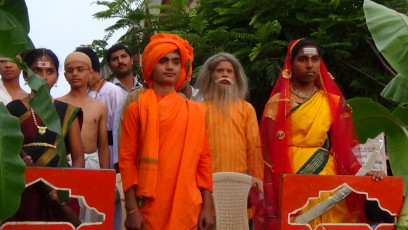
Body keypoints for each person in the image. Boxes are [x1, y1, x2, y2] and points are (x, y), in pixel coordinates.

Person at [259, 39, 385, 229]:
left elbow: (344, 149)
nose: (310, 65)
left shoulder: (333, 102)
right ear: (290, 64)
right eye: (302, 59)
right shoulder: (277, 103)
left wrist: (363, 171)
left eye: (315, 59)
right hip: (288, 175)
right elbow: (266, 154)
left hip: (327, 178)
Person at [119, 33, 214, 230]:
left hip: (188, 205)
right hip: (148, 206)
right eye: (163, 61)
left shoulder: (194, 110)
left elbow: (203, 161)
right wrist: (131, 209)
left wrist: (207, 207)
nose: (170, 67)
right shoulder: (136, 109)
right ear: (151, 66)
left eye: (176, 61)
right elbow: (127, 161)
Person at [5, 48, 84, 227]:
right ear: (25, 76)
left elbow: (79, 158)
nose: (43, 76)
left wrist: (64, 189)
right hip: (23, 188)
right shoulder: (12, 110)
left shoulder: (67, 111)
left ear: (57, 77)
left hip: (59, 190)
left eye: (50, 71)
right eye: (36, 70)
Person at [194, 52, 264, 180]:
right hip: (209, 178)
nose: (225, 75)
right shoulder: (201, 108)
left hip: (242, 177)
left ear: (235, 77)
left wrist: (257, 178)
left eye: (229, 71)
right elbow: (195, 149)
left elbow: (254, 148)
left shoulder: (246, 109)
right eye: (219, 70)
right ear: (211, 76)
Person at [56, 51, 109, 169]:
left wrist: (106, 176)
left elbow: (103, 146)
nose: (75, 73)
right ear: (65, 76)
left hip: (93, 162)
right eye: (70, 70)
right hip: (66, 162)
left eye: (80, 69)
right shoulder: (57, 104)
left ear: (90, 73)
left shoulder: (99, 106)